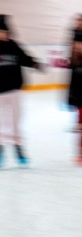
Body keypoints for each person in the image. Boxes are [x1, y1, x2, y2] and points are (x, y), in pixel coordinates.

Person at [0, 14, 44, 168]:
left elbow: (24, 58)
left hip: (14, 91)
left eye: (5, 32)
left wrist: (35, 64)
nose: (3, 35)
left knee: (16, 121)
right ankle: (1, 149)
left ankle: (18, 147)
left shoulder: (13, 46)